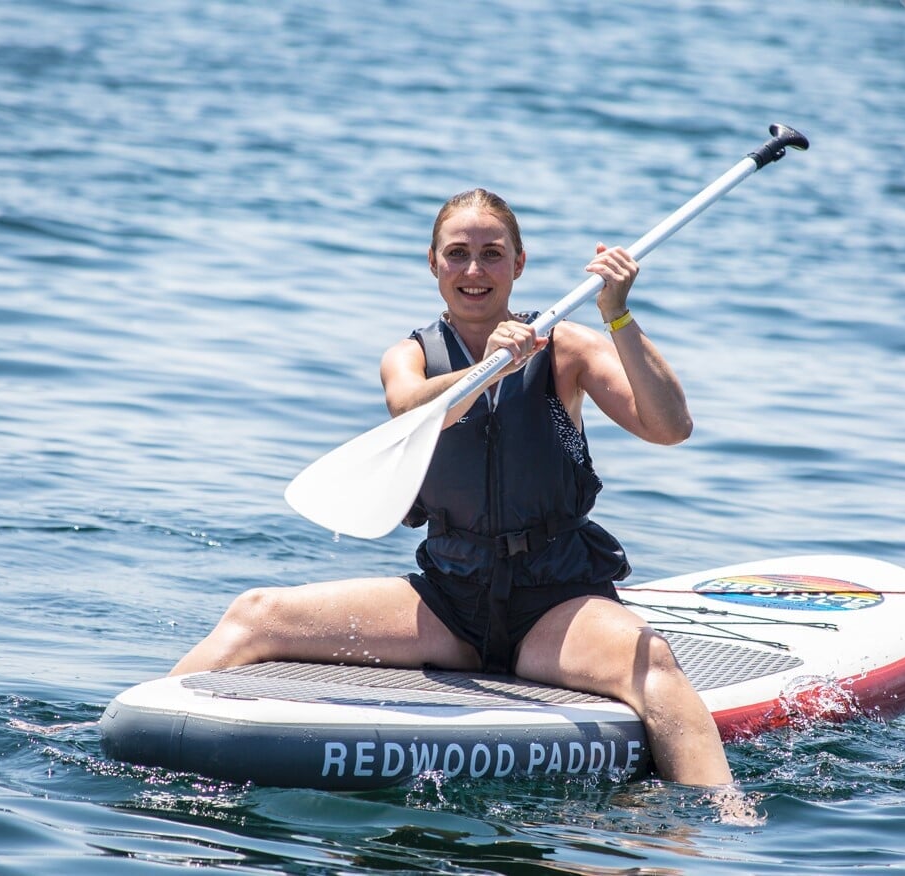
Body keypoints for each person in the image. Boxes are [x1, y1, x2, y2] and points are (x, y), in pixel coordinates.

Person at [170, 188, 734, 787]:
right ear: (433, 263)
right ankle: (138, 732)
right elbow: (409, 409)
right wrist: (487, 368)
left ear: (519, 263)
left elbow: (670, 427)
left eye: (492, 254)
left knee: (654, 664)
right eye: (458, 253)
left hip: (555, 602)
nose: (474, 270)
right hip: (448, 604)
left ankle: (718, 820)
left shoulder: (564, 346)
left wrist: (616, 313)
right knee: (254, 614)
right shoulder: (408, 356)